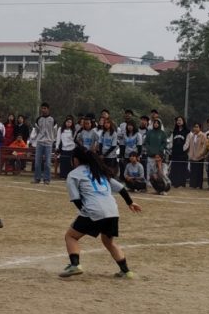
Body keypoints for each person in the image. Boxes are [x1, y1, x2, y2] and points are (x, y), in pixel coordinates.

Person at [59, 145, 142, 278]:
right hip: (112, 211)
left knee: (71, 236)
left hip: (94, 210)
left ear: (75, 159)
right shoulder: (99, 171)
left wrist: (85, 214)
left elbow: (76, 199)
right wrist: (130, 203)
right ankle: (126, 272)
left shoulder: (73, 174)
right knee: (109, 242)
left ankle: (75, 265)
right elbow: (121, 188)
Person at [30, 102, 56, 185]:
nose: (43, 110)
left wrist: (52, 140)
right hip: (40, 143)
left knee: (48, 162)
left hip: (48, 143)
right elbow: (37, 131)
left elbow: (54, 131)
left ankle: (47, 179)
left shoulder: (52, 120)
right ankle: (37, 178)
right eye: (42, 108)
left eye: (45, 108)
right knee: (37, 162)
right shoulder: (38, 119)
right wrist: (38, 139)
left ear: (48, 109)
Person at [169, 116, 189, 187]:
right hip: (175, 153)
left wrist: (182, 150)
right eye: (177, 120)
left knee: (182, 168)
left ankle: (181, 183)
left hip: (182, 154)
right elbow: (171, 141)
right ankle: (174, 183)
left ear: (183, 121)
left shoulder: (187, 131)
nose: (179, 121)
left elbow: (187, 143)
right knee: (174, 168)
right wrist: (171, 148)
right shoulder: (174, 131)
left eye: (180, 120)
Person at [185, 123, 207, 189]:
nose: (195, 128)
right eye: (194, 127)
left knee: (199, 172)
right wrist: (190, 154)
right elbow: (190, 146)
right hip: (192, 157)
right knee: (193, 171)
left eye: (197, 127)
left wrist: (201, 154)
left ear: (200, 128)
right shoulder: (192, 136)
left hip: (200, 157)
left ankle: (199, 185)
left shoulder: (203, 135)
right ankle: (193, 184)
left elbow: (204, 146)